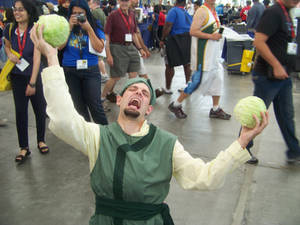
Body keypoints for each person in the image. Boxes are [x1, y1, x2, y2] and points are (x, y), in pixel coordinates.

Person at [31, 22, 268, 225]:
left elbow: (204, 176)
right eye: (132, 89)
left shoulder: (167, 144)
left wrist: (241, 143)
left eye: (145, 94)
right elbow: (63, 120)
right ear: (120, 99)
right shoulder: (98, 137)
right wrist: (52, 57)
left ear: (149, 109)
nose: (138, 93)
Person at [242, 0, 300, 164]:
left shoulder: (286, 13)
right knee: (256, 116)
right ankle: (243, 149)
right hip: (267, 77)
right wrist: (276, 65)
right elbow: (258, 41)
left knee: (287, 116)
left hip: (283, 76)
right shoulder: (274, 12)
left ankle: (295, 151)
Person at [168, 0, 231, 120]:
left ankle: (215, 109)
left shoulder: (214, 11)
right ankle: (176, 104)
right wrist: (212, 36)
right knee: (197, 82)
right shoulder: (202, 11)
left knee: (218, 79)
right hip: (204, 56)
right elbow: (193, 31)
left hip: (214, 55)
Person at [4, 0, 49, 163]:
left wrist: (32, 83)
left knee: (39, 109)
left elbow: (37, 58)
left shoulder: (35, 30)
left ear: (29, 12)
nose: (17, 13)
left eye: (21, 10)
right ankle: (24, 147)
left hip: (35, 76)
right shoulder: (9, 29)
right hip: (17, 77)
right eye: (15, 10)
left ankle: (41, 140)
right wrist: (9, 54)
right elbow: (7, 46)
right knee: (20, 112)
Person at [59, 0, 108, 125]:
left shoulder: (94, 24)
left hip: (90, 69)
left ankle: (105, 135)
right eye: (74, 13)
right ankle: (87, 136)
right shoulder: (65, 25)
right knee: (79, 106)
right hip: (70, 69)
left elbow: (99, 48)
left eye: (80, 13)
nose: (77, 16)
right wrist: (69, 27)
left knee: (95, 104)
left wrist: (89, 29)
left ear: (87, 13)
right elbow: (59, 46)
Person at [101, 0, 146, 104]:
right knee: (115, 77)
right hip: (117, 48)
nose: (124, 3)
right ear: (119, 1)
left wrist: (140, 49)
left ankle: (129, 99)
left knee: (133, 77)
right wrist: (108, 54)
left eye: (126, 1)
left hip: (131, 47)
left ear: (129, 2)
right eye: (122, 1)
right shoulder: (113, 15)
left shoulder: (132, 14)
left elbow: (134, 34)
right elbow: (106, 36)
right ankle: (102, 97)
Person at [159, 0, 192, 95]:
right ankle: (187, 87)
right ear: (185, 4)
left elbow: (168, 26)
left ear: (175, 2)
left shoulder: (173, 11)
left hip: (175, 39)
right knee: (187, 64)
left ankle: (168, 88)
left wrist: (162, 39)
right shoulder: (187, 13)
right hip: (187, 39)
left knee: (169, 65)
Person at [87, 0, 109, 83]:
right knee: (100, 57)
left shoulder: (95, 13)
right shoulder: (101, 11)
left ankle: (104, 74)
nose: (89, 4)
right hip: (102, 35)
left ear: (94, 3)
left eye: (91, 3)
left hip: (98, 36)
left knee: (99, 58)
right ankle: (103, 74)